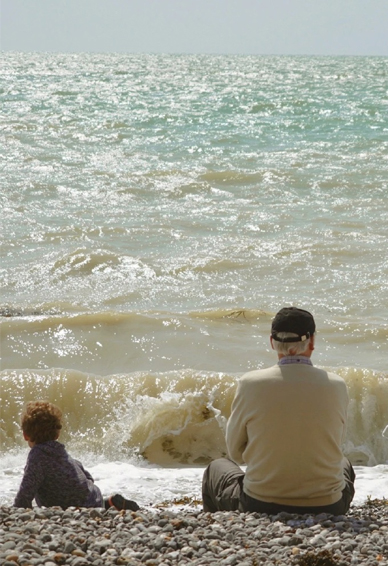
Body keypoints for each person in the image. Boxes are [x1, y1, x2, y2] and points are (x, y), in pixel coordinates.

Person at [202, 307, 355, 515]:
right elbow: (335, 445)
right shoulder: (337, 385)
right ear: (312, 342)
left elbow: (235, 453)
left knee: (216, 467)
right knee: (345, 464)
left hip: (260, 502)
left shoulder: (250, 383)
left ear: (272, 342)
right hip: (328, 505)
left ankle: (218, 531)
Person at [14, 400, 140, 511]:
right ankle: (106, 503)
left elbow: (25, 493)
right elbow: (87, 476)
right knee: (74, 464)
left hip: (67, 507)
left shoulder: (37, 456)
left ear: (25, 435)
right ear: (57, 434)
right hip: (92, 497)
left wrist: (17, 511)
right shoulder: (60, 451)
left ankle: (104, 505)